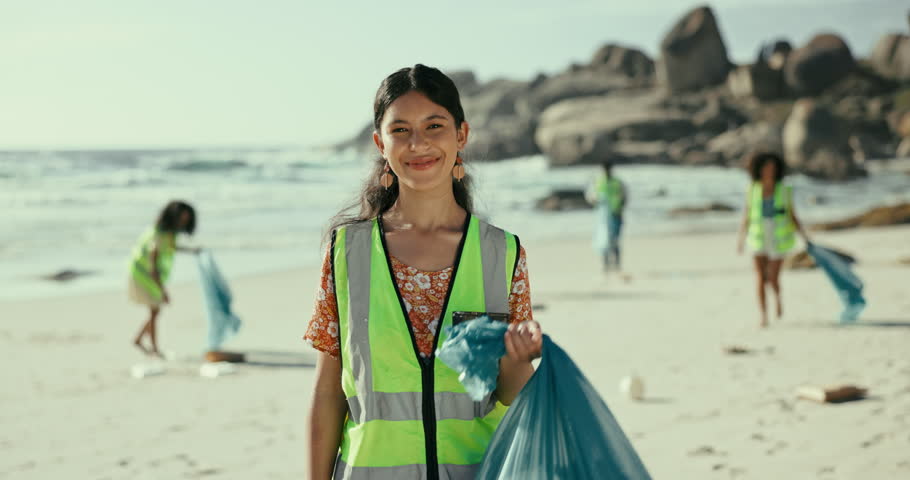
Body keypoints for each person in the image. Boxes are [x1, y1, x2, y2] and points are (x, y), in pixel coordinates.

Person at [305, 64, 543, 480]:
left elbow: (510, 392)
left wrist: (520, 361)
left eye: (434, 125)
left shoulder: (503, 253)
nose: (418, 144)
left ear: (461, 135)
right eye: (401, 130)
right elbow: (328, 393)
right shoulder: (346, 253)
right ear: (380, 143)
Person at [736, 152, 810, 328]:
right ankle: (763, 315)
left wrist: (804, 236)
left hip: (779, 239)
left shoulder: (784, 190)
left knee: (773, 278)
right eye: (766, 168)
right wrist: (741, 238)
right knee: (760, 277)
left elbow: (792, 214)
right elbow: (746, 214)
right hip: (758, 237)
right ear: (759, 170)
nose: (769, 171)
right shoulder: (752, 188)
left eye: (772, 168)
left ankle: (777, 297)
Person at [128, 200, 200, 356]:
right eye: (182, 219)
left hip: (150, 275)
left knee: (155, 311)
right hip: (143, 274)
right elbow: (153, 267)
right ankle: (154, 349)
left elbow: (171, 248)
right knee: (155, 310)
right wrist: (163, 291)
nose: (183, 222)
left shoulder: (169, 233)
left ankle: (139, 339)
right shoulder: (158, 235)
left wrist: (192, 251)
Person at [586, 160, 627, 272]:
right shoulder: (598, 182)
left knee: (614, 240)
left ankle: (617, 265)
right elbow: (591, 198)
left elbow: (624, 197)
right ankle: (606, 265)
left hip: (615, 215)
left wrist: (619, 207)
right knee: (604, 240)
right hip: (603, 217)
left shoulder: (617, 182)